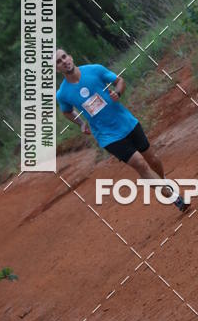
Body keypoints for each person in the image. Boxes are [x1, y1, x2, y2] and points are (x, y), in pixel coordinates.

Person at [55, 50, 190, 213]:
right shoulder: (63, 94)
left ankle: (162, 183)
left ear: (70, 56)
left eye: (64, 57)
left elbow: (119, 81)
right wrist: (81, 123)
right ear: (56, 69)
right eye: (58, 62)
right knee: (140, 164)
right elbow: (67, 111)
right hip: (107, 136)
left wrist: (117, 92)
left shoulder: (94, 70)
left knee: (152, 159)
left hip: (126, 122)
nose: (63, 61)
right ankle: (173, 197)